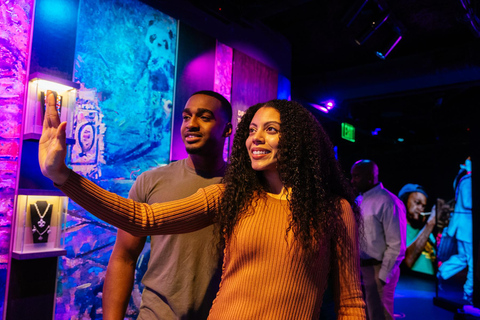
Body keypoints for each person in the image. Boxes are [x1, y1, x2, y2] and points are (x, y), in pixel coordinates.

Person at [40, 94, 366, 319]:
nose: (256, 139)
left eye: (270, 130)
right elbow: (143, 218)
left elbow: (350, 302)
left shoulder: (334, 211)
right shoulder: (232, 196)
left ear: (297, 140)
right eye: (252, 131)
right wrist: (62, 175)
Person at [103, 91, 232, 319]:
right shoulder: (151, 181)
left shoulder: (244, 186)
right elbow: (124, 257)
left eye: (204, 117)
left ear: (227, 129)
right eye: (186, 117)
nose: (191, 124)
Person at [350, 160, 406, 320]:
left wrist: (383, 276)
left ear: (370, 177)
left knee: (379, 316)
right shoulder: (359, 200)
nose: (352, 180)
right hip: (362, 269)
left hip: (378, 268)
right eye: (352, 176)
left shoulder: (389, 202)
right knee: (365, 314)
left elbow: (398, 245)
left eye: (356, 176)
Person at [438, 157, 473, 304]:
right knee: (472, 261)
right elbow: (468, 202)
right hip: (467, 230)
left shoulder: (467, 179)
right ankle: (468, 293)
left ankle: (442, 272)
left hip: (466, 229)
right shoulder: (467, 180)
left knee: (464, 258)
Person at [397, 184, 436, 275]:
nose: (421, 209)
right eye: (417, 203)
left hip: (429, 285)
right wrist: (430, 224)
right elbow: (406, 261)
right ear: (404, 202)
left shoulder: (428, 234)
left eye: (424, 206)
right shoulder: (395, 228)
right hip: (409, 286)